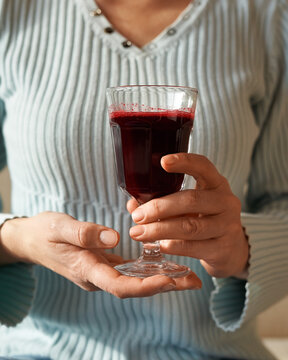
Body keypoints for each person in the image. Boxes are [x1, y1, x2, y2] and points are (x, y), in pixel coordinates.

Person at [0, 0, 287, 359]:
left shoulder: (270, 17)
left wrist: (243, 248)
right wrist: (16, 238)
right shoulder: (10, 11)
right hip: (40, 350)